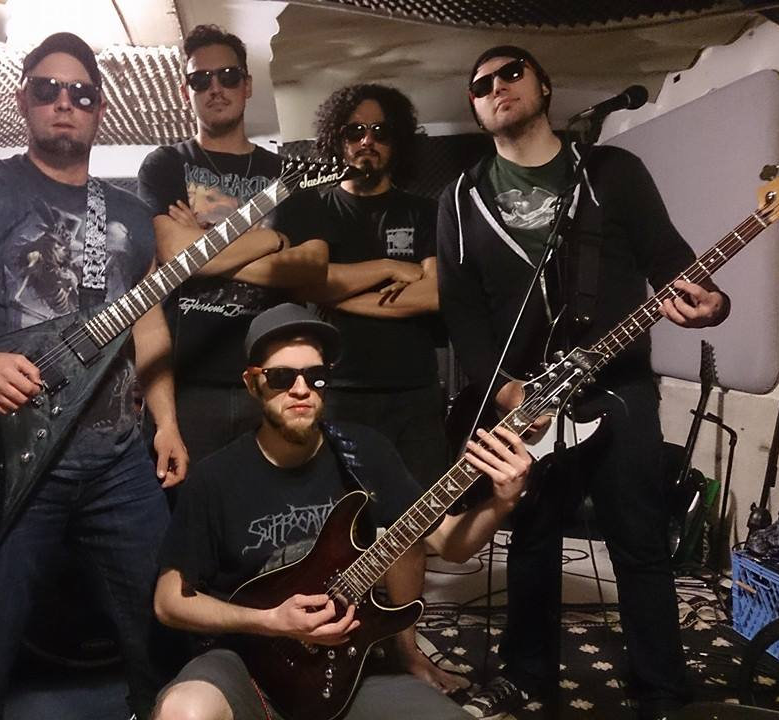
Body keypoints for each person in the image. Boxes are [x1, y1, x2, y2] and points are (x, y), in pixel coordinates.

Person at [0, 32, 187, 719]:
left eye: (81, 93)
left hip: (117, 464)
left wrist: (167, 422)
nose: (65, 102)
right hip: (1, 463)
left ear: (100, 109)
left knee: (165, 635)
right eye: (47, 89)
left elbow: (148, 326)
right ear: (22, 98)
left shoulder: (129, 215)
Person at [436, 46, 731, 720]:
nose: (497, 87)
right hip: (527, 401)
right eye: (481, 85)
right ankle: (527, 676)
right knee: (532, 537)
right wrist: (508, 393)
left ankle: (661, 688)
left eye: (512, 72)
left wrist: (712, 303)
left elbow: (672, 261)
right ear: (476, 111)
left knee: (639, 539)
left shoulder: (610, 172)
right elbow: (464, 316)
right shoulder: (460, 198)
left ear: (545, 85)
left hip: (618, 387)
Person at [150, 302, 533, 720]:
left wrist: (502, 501)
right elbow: (169, 602)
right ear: (253, 384)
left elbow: (451, 545)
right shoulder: (215, 477)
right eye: (281, 378)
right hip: (248, 661)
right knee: (184, 711)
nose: (301, 390)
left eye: (315, 376)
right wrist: (271, 620)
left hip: (346, 664)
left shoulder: (364, 452)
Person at [137, 24, 328, 464]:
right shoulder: (165, 164)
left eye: (227, 76)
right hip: (187, 384)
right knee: (185, 505)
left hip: (273, 383)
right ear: (185, 91)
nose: (215, 88)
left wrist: (201, 250)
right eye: (199, 79)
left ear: (247, 84)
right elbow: (172, 252)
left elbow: (313, 266)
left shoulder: (290, 175)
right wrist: (271, 241)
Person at [308, 84, 447, 491]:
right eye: (355, 131)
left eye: (380, 131)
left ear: (397, 141)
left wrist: (339, 293)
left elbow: (434, 293)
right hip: (340, 391)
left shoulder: (425, 211)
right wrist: (389, 267)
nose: (367, 141)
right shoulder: (315, 210)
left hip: (415, 393)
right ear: (338, 140)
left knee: (419, 517)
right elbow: (312, 283)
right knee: (345, 515)